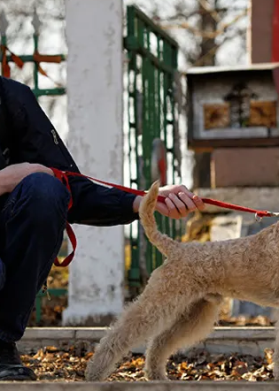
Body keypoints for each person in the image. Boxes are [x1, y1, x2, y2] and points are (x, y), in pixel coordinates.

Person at [0, 75, 204, 381]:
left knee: (45, 188)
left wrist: (143, 201)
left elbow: (72, 189)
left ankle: (1, 344)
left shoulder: (10, 98)